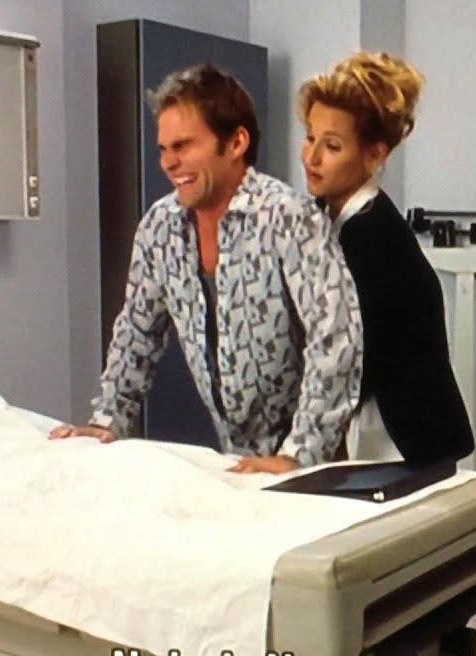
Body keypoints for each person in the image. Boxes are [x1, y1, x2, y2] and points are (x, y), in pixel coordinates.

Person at [51, 64, 364, 474]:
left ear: (236, 142)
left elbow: (336, 338)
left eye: (183, 146)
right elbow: (137, 334)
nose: (169, 162)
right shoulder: (160, 227)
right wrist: (106, 421)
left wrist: (298, 455)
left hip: (313, 463)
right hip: (236, 462)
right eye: (163, 149)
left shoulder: (289, 217)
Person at [296, 51, 474, 467]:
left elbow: (346, 361)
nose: (312, 157)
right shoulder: (328, 220)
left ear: (374, 154)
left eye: (332, 145)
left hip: (403, 444)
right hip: (375, 432)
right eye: (309, 137)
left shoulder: (373, 236)